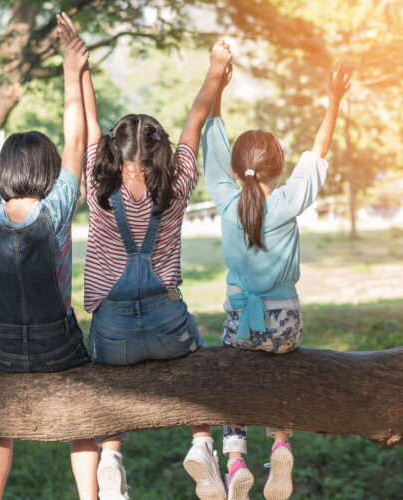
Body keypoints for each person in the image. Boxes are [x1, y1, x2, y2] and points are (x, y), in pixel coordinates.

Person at [56, 13, 232, 500]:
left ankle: (111, 454)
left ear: (115, 153)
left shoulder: (98, 182)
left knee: (109, 383)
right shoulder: (176, 185)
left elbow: (91, 123)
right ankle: (200, 443)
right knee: (196, 360)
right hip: (168, 325)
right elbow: (196, 118)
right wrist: (216, 70)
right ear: (160, 155)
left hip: (113, 331)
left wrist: (81, 64)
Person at [0, 31, 97, 500]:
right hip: (58, 347)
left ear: (5, 170)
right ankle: (90, 496)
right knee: (85, 417)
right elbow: (76, 138)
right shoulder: (57, 208)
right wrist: (69, 73)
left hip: (1, 350)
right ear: (51, 171)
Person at [200, 62, 352, 500]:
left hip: (239, 328)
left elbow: (213, 141)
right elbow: (318, 153)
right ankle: (281, 441)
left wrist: (218, 89)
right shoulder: (286, 202)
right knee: (280, 367)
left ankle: (235, 460)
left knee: (232, 379)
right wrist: (334, 100)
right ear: (278, 168)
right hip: (286, 326)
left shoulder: (228, 202)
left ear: (235, 170)